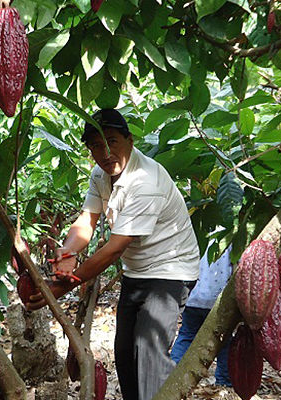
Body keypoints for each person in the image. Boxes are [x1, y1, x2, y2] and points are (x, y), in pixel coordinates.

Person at [26, 109, 200, 400]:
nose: (104, 153)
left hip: (171, 271)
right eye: (95, 145)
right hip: (138, 272)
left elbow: (115, 247)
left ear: (129, 141)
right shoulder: (101, 174)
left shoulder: (146, 182)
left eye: (112, 141)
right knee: (124, 354)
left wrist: (64, 286)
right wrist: (68, 251)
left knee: (148, 352)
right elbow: (86, 222)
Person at [170, 244, 233, 387]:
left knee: (186, 334)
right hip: (218, 298)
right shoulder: (231, 234)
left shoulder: (196, 228)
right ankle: (224, 382)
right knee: (224, 341)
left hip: (192, 295)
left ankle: (172, 374)